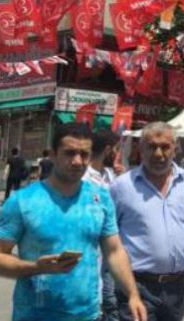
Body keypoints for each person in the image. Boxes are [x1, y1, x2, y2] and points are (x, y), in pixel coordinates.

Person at [0, 122, 146, 321]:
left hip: (89, 315)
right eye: (69, 153)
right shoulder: (22, 201)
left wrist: (133, 295)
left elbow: (114, 252)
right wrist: (36, 267)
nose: (78, 161)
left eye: (84, 154)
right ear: (52, 154)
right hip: (34, 315)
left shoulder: (101, 199)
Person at [110, 122, 184, 321]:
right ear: (141, 149)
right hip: (135, 285)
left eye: (165, 147)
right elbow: (105, 238)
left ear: (175, 149)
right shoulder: (122, 187)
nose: (158, 153)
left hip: (176, 288)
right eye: (151, 147)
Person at [84, 128, 120, 321]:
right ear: (107, 150)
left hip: (110, 253)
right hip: (88, 258)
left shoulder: (110, 176)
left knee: (111, 303)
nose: (118, 153)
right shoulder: (83, 178)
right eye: (116, 149)